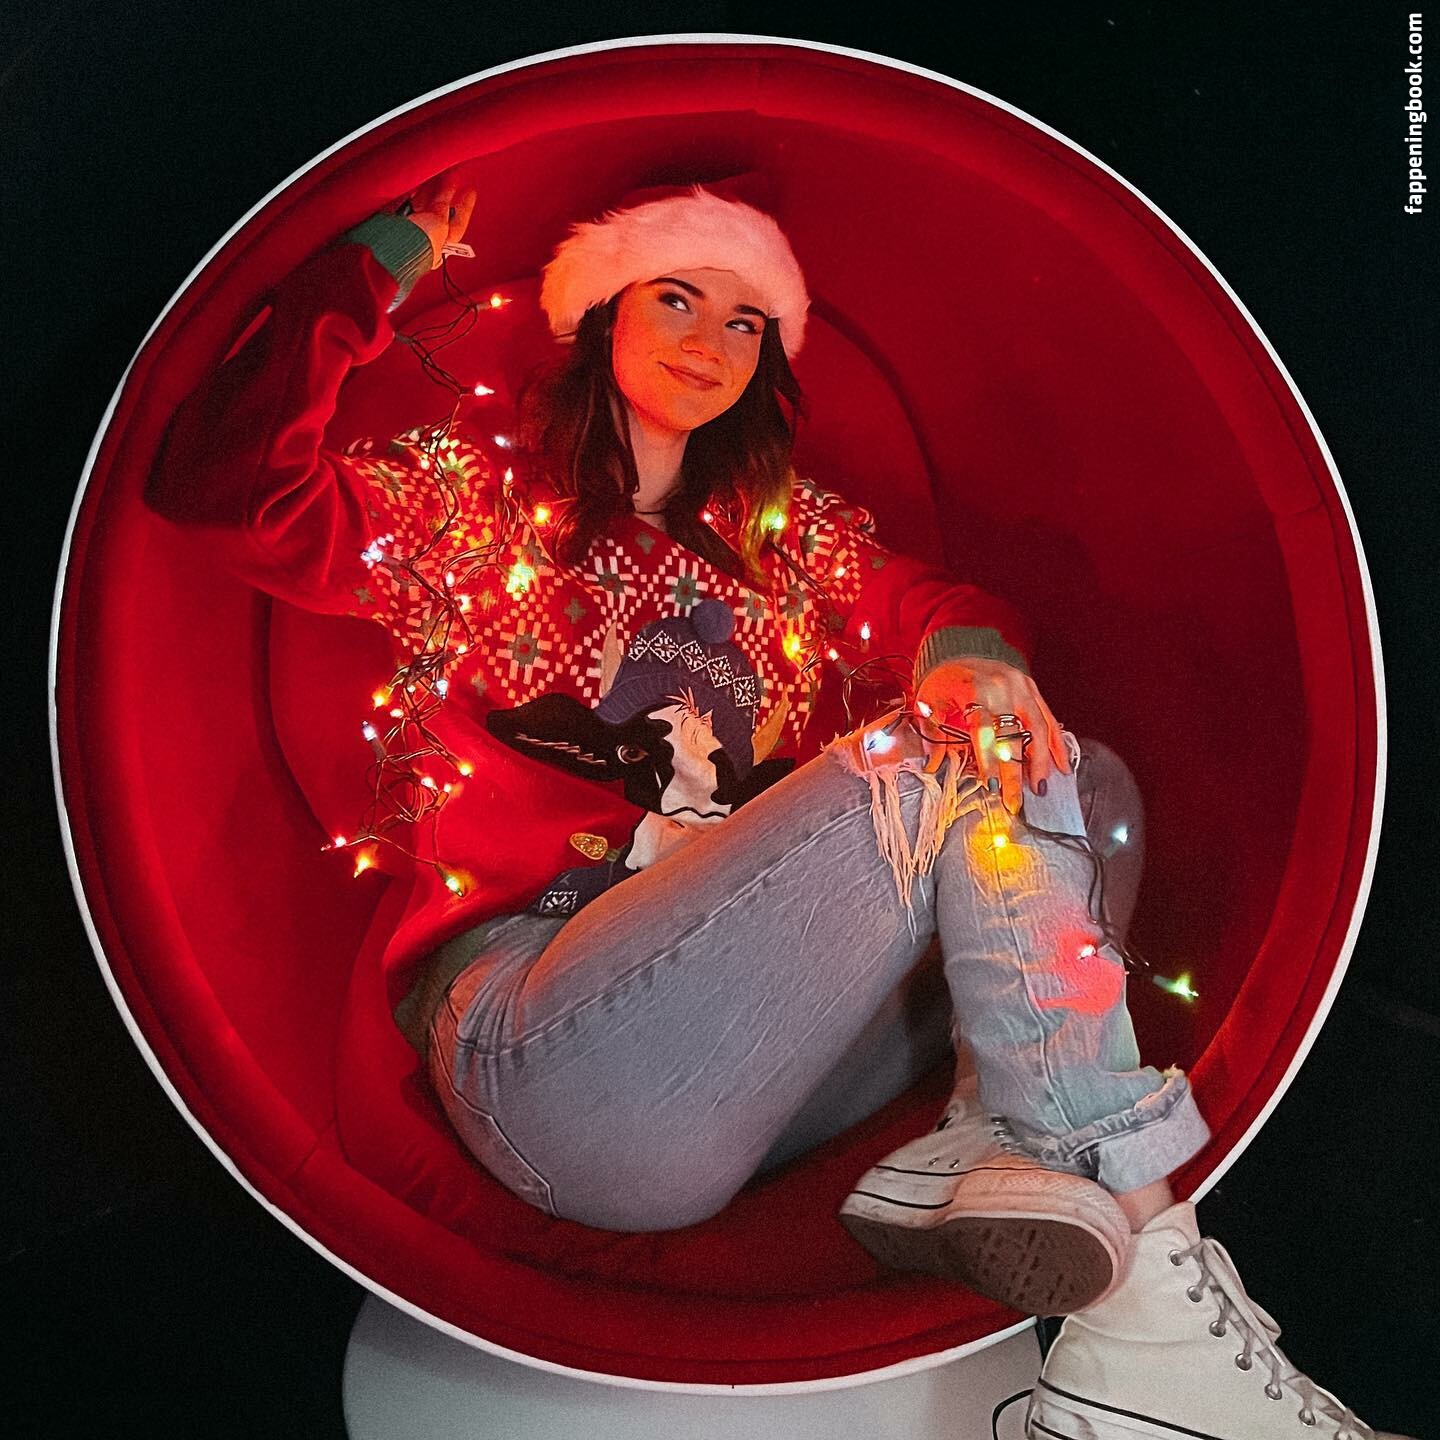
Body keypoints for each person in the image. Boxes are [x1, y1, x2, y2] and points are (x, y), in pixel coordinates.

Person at [147, 172, 1404, 1440]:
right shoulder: (479, 508)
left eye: (745, 320)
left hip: (749, 1087)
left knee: (1081, 783)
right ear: (603, 315)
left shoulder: (780, 542)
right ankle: (1150, 1327)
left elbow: (938, 606)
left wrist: (968, 653)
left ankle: (985, 1138)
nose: (709, 340)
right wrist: (376, 265)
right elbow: (226, 485)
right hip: (544, 1043)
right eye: (676, 299)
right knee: (944, 754)